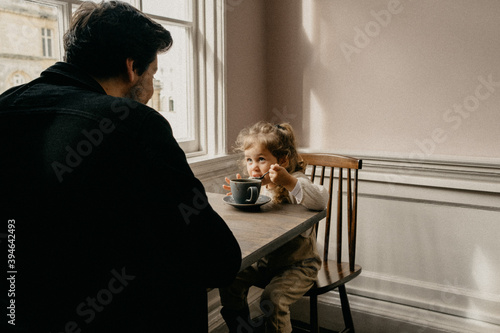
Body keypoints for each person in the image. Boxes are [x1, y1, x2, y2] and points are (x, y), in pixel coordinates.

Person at [0, 1, 241, 332]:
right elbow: (219, 259)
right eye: (152, 73)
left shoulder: (6, 106)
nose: (151, 88)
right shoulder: (136, 125)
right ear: (132, 68)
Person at [220, 121, 328, 333]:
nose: (254, 166)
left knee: (273, 299)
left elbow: (320, 200)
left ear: (283, 160)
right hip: (265, 262)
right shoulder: (259, 186)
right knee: (229, 280)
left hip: (298, 265)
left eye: (261, 159)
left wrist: (288, 181)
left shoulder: (296, 181)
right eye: (249, 160)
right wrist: (241, 198)